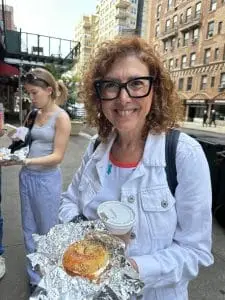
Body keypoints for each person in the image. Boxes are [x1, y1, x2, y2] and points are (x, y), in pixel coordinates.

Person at [59, 37, 213, 300]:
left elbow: (195, 251)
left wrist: (131, 268)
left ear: (155, 89)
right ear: (99, 95)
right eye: (110, 85)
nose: (123, 98)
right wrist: (86, 236)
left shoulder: (184, 154)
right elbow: (69, 202)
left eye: (137, 83)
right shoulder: (96, 147)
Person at [9, 68, 71, 292]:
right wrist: (13, 135)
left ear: (49, 90)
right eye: (29, 94)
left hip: (46, 180)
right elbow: (24, 139)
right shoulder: (33, 113)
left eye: (34, 93)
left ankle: (51, 278)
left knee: (47, 230)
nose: (31, 98)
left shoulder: (61, 118)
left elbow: (57, 157)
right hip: (26, 178)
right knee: (28, 227)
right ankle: (35, 277)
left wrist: (26, 162)